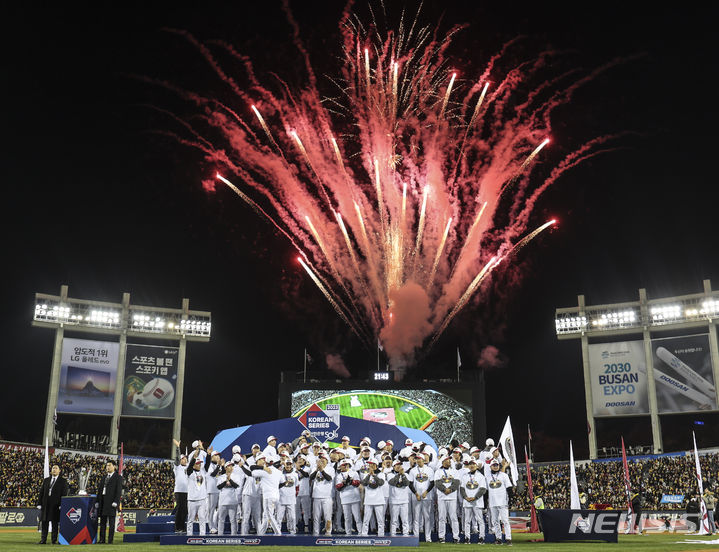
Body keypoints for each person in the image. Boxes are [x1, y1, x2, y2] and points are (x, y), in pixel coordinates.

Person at [249, 454, 284, 535]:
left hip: (268, 497)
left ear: (266, 463)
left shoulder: (265, 471)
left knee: (269, 516)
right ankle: (260, 535)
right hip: (276, 497)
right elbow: (282, 481)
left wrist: (262, 468)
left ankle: (278, 534)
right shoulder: (279, 472)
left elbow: (252, 471)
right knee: (265, 516)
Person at [36, 464, 69, 545]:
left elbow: (64, 494)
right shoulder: (46, 480)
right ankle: (43, 540)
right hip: (46, 504)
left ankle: (53, 540)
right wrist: (39, 503)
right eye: (53, 468)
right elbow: (41, 492)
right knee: (44, 523)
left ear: (59, 471)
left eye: (56, 468)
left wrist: (62, 504)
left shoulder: (63, 481)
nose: (54, 469)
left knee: (54, 524)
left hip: (56, 505)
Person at [487, 458, 513, 545]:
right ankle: (498, 538)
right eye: (494, 465)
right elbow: (486, 491)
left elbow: (509, 488)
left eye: (497, 465)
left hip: (503, 502)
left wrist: (511, 500)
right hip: (492, 502)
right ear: (490, 466)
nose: (495, 467)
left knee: (505, 521)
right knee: (495, 521)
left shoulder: (504, 475)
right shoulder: (487, 477)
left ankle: (508, 538)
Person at [96, 460, 123, 544]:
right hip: (103, 502)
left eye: (109, 465)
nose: (107, 467)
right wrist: (97, 501)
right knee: (102, 523)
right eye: (107, 465)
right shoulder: (104, 477)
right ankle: (102, 539)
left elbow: (118, 491)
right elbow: (99, 490)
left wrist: (116, 501)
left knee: (111, 523)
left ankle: (110, 540)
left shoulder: (118, 477)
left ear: (114, 466)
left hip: (111, 503)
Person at [408, 453, 434, 542]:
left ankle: (428, 538)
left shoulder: (429, 470)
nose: (418, 460)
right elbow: (410, 484)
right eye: (417, 459)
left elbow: (432, 483)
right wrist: (416, 494)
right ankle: (416, 537)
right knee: (416, 517)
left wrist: (426, 492)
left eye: (419, 459)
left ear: (423, 460)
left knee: (427, 517)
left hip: (427, 496)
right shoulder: (413, 470)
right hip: (416, 496)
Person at [460, 458, 487, 543]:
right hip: (467, 501)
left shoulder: (481, 476)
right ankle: (467, 538)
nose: (472, 466)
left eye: (473, 464)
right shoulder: (464, 476)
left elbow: (483, 489)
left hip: (477, 501)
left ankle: (481, 537)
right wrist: (465, 497)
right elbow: (462, 488)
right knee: (467, 521)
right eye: (470, 464)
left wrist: (475, 497)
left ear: (476, 466)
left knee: (480, 520)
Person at [435, 455, 460, 543]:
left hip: (452, 497)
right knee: (441, 518)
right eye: (447, 460)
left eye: (449, 460)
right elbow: (437, 483)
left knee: (453, 517)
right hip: (442, 497)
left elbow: (456, 483)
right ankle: (441, 537)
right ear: (443, 462)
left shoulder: (454, 471)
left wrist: (450, 489)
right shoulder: (438, 472)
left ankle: (456, 537)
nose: (449, 461)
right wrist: (444, 489)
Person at [334, 459, 361, 535]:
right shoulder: (339, 476)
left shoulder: (354, 473)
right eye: (343, 465)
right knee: (347, 517)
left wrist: (351, 481)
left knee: (357, 517)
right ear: (340, 467)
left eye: (346, 464)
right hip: (345, 498)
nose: (345, 466)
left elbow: (358, 483)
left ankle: (361, 532)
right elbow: (338, 487)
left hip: (354, 497)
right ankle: (348, 533)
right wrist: (344, 483)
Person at [360, 459, 386, 536]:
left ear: (376, 465)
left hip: (378, 500)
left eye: (371, 464)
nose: (370, 466)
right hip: (368, 500)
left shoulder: (381, 474)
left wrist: (374, 475)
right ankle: (364, 534)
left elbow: (381, 483)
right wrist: (369, 475)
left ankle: (381, 534)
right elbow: (364, 483)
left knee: (380, 520)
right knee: (366, 519)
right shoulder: (366, 474)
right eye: (369, 464)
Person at [310, 455, 335, 536]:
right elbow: (311, 477)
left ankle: (328, 532)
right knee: (316, 517)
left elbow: (329, 479)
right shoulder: (315, 468)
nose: (322, 460)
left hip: (327, 496)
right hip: (316, 495)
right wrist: (317, 470)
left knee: (327, 517)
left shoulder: (330, 469)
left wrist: (322, 470)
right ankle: (316, 533)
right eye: (320, 459)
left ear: (327, 461)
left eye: (324, 459)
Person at [186, 449, 209, 536]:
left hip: (202, 499)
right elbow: (189, 468)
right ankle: (189, 535)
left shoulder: (203, 471)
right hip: (192, 500)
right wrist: (194, 458)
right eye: (197, 464)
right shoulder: (189, 473)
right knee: (191, 519)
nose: (199, 465)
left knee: (202, 518)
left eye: (200, 464)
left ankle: (202, 535)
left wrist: (209, 455)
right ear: (194, 465)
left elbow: (207, 464)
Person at [216, 462, 241, 536]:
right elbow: (218, 487)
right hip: (222, 501)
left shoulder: (236, 476)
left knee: (233, 520)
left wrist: (230, 480)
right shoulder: (221, 477)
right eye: (230, 466)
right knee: (221, 520)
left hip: (233, 501)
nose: (231, 467)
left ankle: (234, 535)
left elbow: (236, 486)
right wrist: (225, 481)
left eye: (232, 466)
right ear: (226, 467)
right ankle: (220, 535)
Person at [388, 459, 411, 536]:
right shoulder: (389, 475)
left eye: (400, 465)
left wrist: (403, 475)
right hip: (394, 500)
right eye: (397, 465)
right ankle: (393, 534)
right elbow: (392, 482)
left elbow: (407, 483)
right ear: (393, 466)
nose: (399, 466)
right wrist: (399, 475)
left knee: (405, 520)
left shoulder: (406, 475)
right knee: (394, 520)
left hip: (404, 500)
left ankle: (405, 533)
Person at [278, 458, 300, 535]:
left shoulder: (295, 474)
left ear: (292, 465)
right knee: (279, 518)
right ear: (284, 464)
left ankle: (293, 531)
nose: (288, 466)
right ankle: (277, 532)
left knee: (292, 517)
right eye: (287, 464)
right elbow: (277, 485)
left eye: (290, 464)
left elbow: (297, 486)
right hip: (281, 498)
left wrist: (294, 495)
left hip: (291, 499)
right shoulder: (279, 473)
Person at [172, 439, 189, 533]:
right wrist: (178, 447)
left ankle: (182, 527)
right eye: (183, 458)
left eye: (185, 458)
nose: (185, 459)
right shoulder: (177, 467)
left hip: (187, 491)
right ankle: (177, 527)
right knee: (179, 509)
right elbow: (177, 458)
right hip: (179, 491)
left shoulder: (188, 468)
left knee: (185, 510)